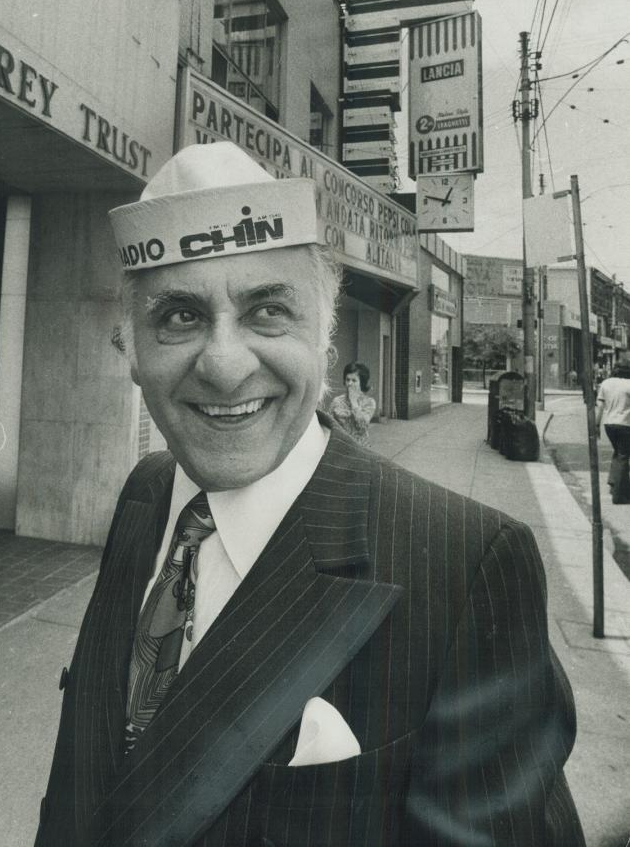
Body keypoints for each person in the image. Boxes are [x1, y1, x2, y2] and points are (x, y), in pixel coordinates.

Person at [35, 142, 585, 847]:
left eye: (268, 311)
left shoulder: (465, 563)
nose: (225, 365)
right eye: (178, 316)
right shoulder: (146, 495)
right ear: (130, 352)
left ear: (323, 340)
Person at [596, 361, 630, 504]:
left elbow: (600, 406)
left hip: (608, 424)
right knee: (623, 455)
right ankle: (618, 495)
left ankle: (613, 482)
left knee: (618, 452)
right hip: (625, 424)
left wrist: (596, 425)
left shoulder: (606, 383)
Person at [330, 361, 376, 444]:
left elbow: (363, 426)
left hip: (359, 447)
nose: (349, 383)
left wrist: (354, 402)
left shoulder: (369, 402)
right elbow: (329, 424)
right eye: (348, 380)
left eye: (354, 380)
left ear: (362, 383)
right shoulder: (337, 401)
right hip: (341, 445)